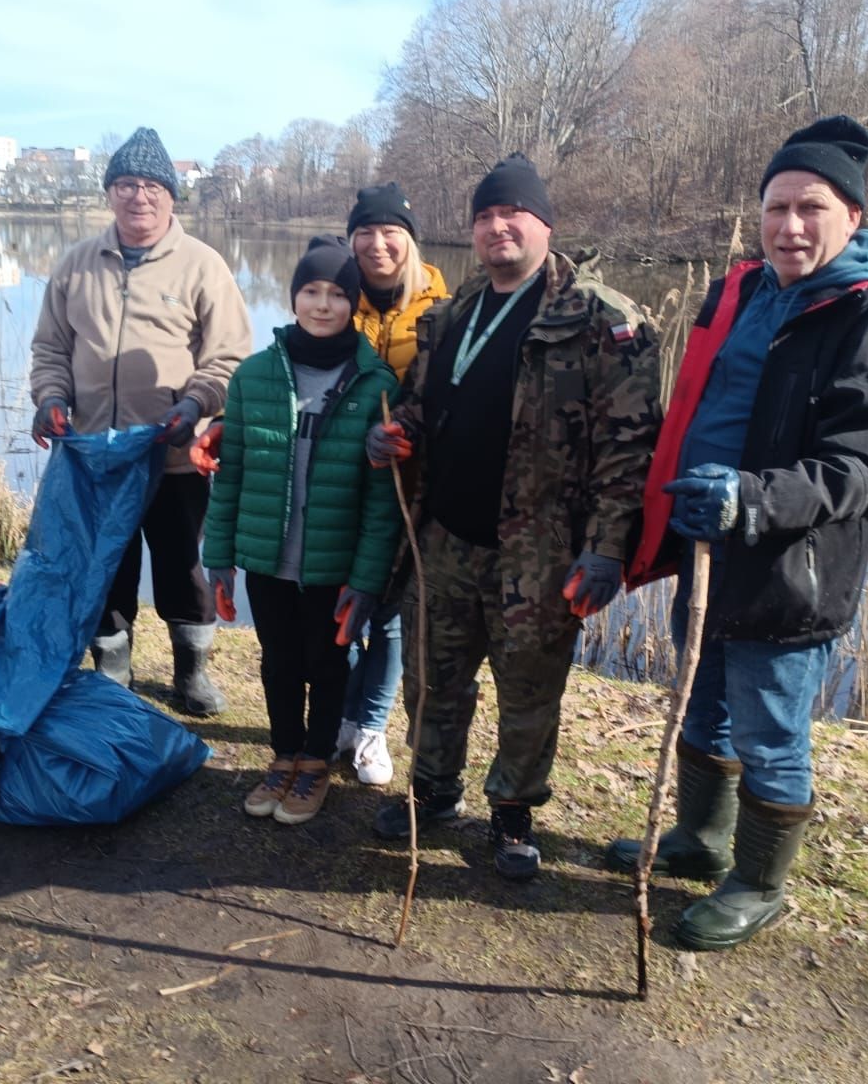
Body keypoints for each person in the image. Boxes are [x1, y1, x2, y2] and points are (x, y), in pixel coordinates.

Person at [609, 115, 868, 950]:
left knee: (770, 731)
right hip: (705, 552)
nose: (790, 225)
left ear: (852, 217)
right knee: (704, 706)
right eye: (776, 206)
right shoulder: (745, 292)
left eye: (812, 208)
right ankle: (697, 841)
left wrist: (751, 500)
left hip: (791, 569)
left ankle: (759, 883)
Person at [366, 154, 660, 879]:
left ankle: (512, 814)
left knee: (529, 690)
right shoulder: (452, 315)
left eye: (513, 214)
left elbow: (631, 454)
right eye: (485, 216)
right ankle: (432, 794)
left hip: (542, 551)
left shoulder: (602, 318)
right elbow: (421, 406)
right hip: (444, 539)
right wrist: (392, 432)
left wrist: (607, 550)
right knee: (431, 680)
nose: (498, 226)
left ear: (544, 224)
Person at [30, 126, 251, 716]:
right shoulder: (76, 265)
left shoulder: (204, 267)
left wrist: (197, 403)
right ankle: (112, 672)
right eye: (126, 184)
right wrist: (50, 398)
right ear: (109, 194)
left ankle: (192, 672)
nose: (139, 196)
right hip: (94, 454)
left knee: (183, 564)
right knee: (106, 564)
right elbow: (51, 348)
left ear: (172, 196)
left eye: (151, 185)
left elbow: (229, 356)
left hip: (175, 453)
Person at [202, 237, 402, 824]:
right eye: (311, 291)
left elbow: (382, 504)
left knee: (326, 661)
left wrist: (366, 581)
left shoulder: (376, 383)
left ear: (354, 304)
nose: (323, 304)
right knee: (278, 660)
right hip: (267, 557)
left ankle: (316, 763)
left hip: (333, 564)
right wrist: (219, 559)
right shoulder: (254, 376)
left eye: (338, 294)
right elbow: (230, 474)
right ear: (292, 299)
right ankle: (284, 753)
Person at [335, 182, 450, 787]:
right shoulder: (334, 294)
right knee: (342, 598)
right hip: (342, 481)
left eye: (389, 232)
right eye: (365, 232)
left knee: (388, 614)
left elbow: (450, 399)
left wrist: (409, 434)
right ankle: (346, 715)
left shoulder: (443, 308)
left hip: (412, 488)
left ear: (409, 239)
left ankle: (372, 727)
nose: (377, 245)